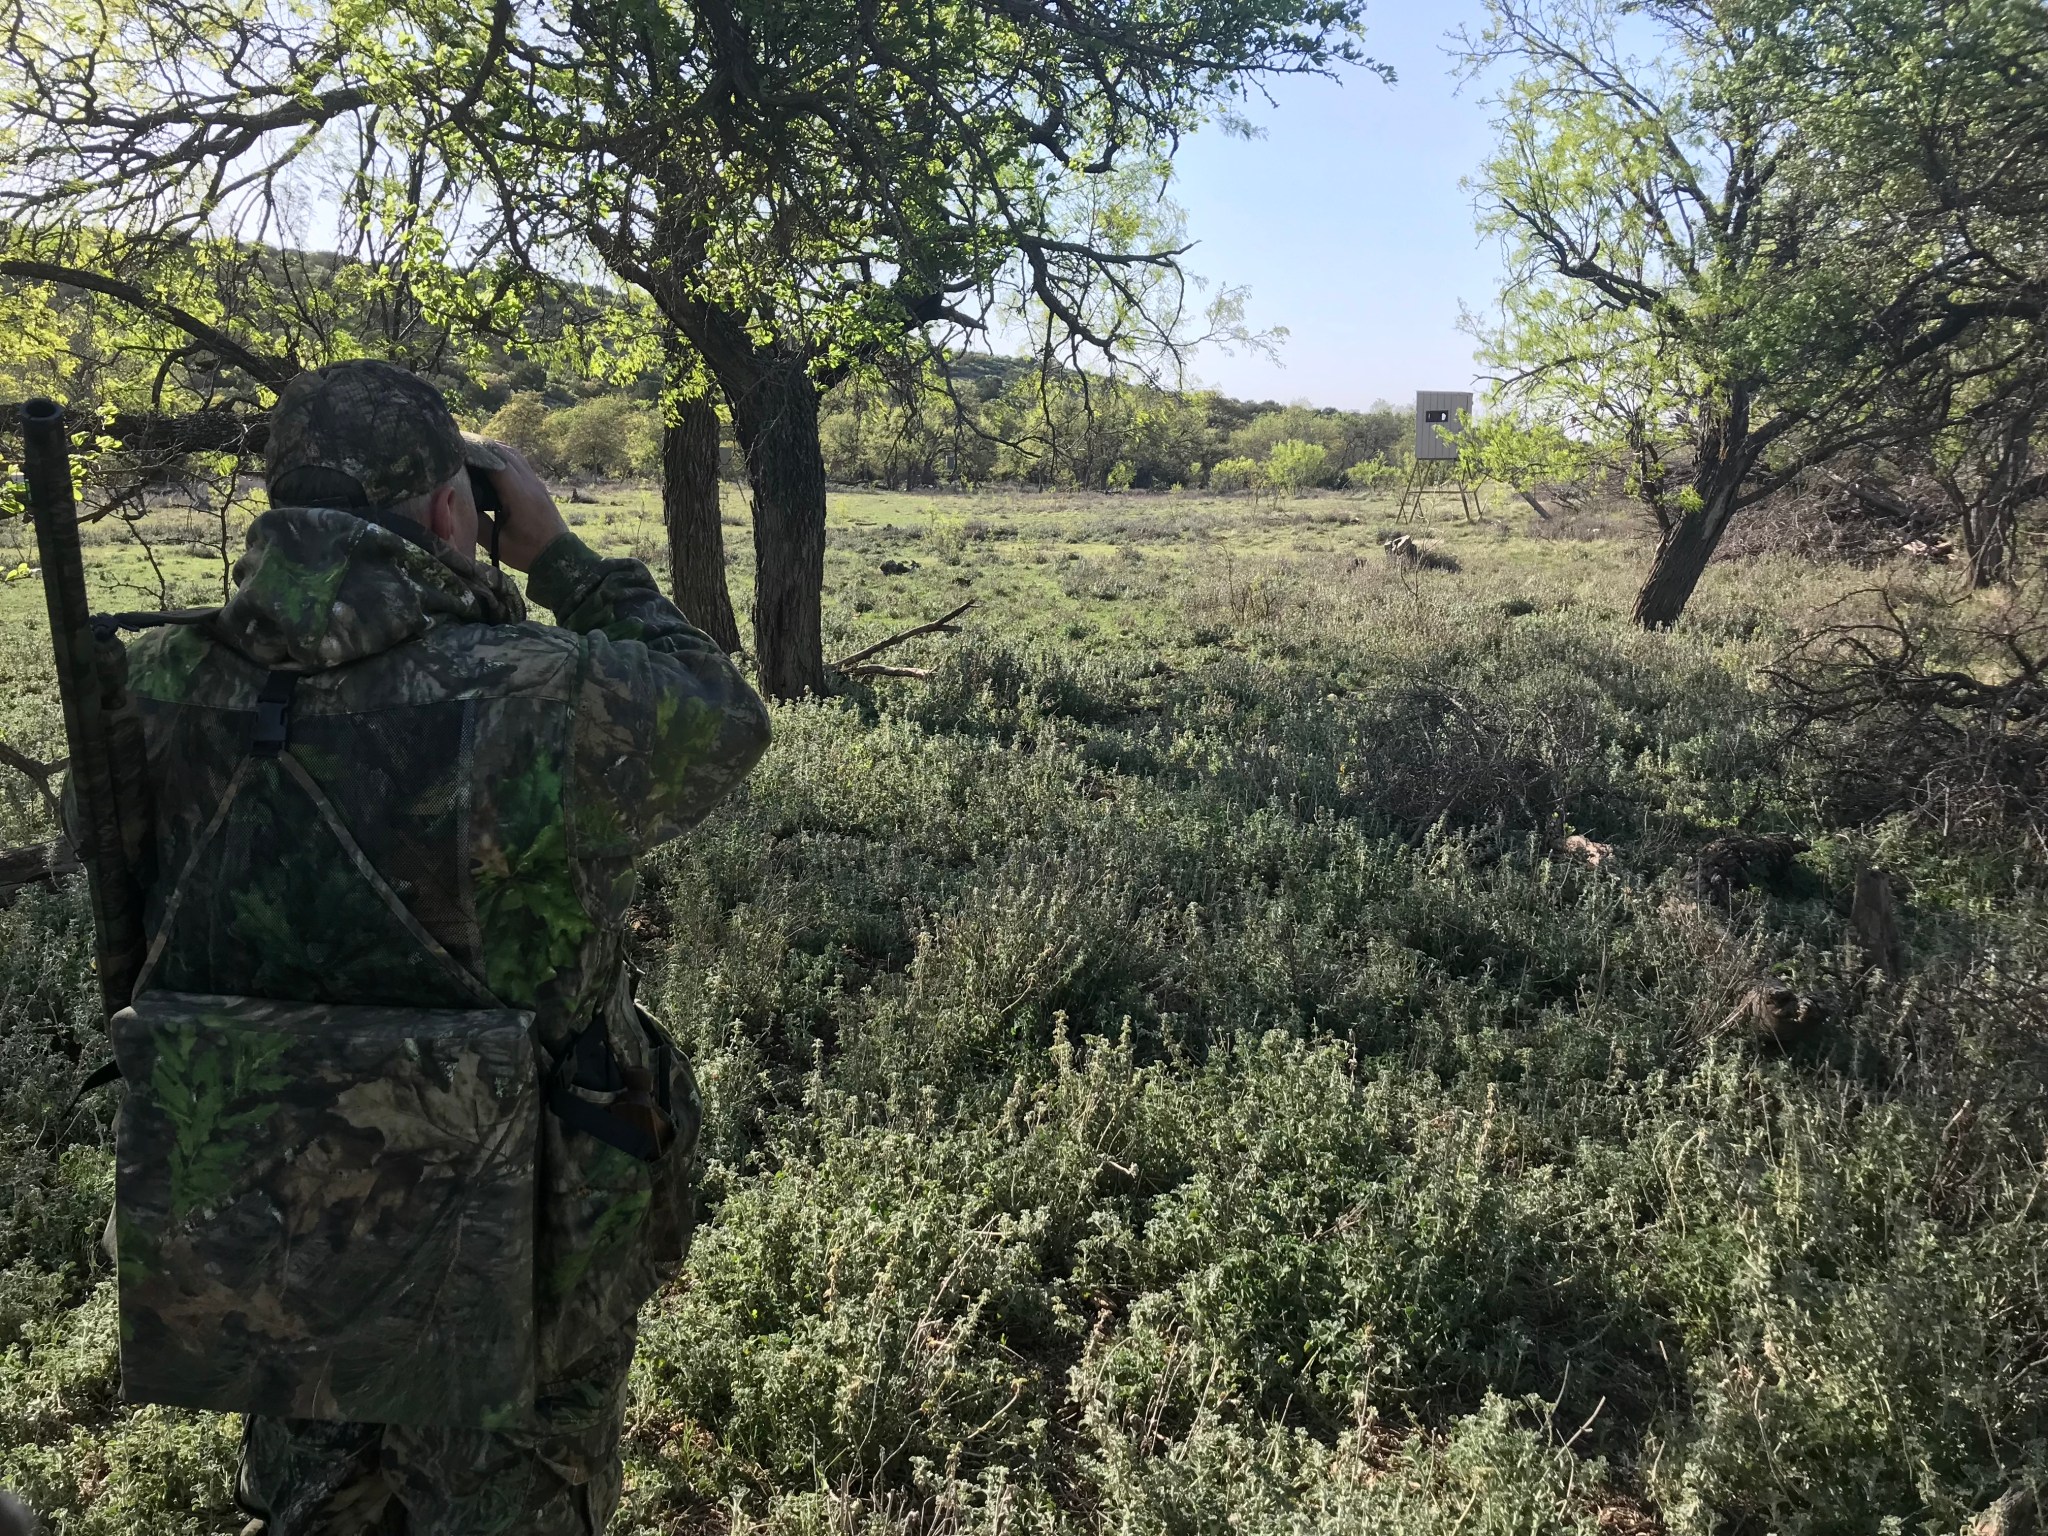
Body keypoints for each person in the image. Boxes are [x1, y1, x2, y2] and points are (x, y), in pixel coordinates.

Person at [113, 359, 770, 1534]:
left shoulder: (155, 684)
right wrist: (558, 557)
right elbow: (721, 717)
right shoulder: (530, 689)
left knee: (312, 1492)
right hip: (516, 1237)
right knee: (512, 1494)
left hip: (276, 1223)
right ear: (446, 507)